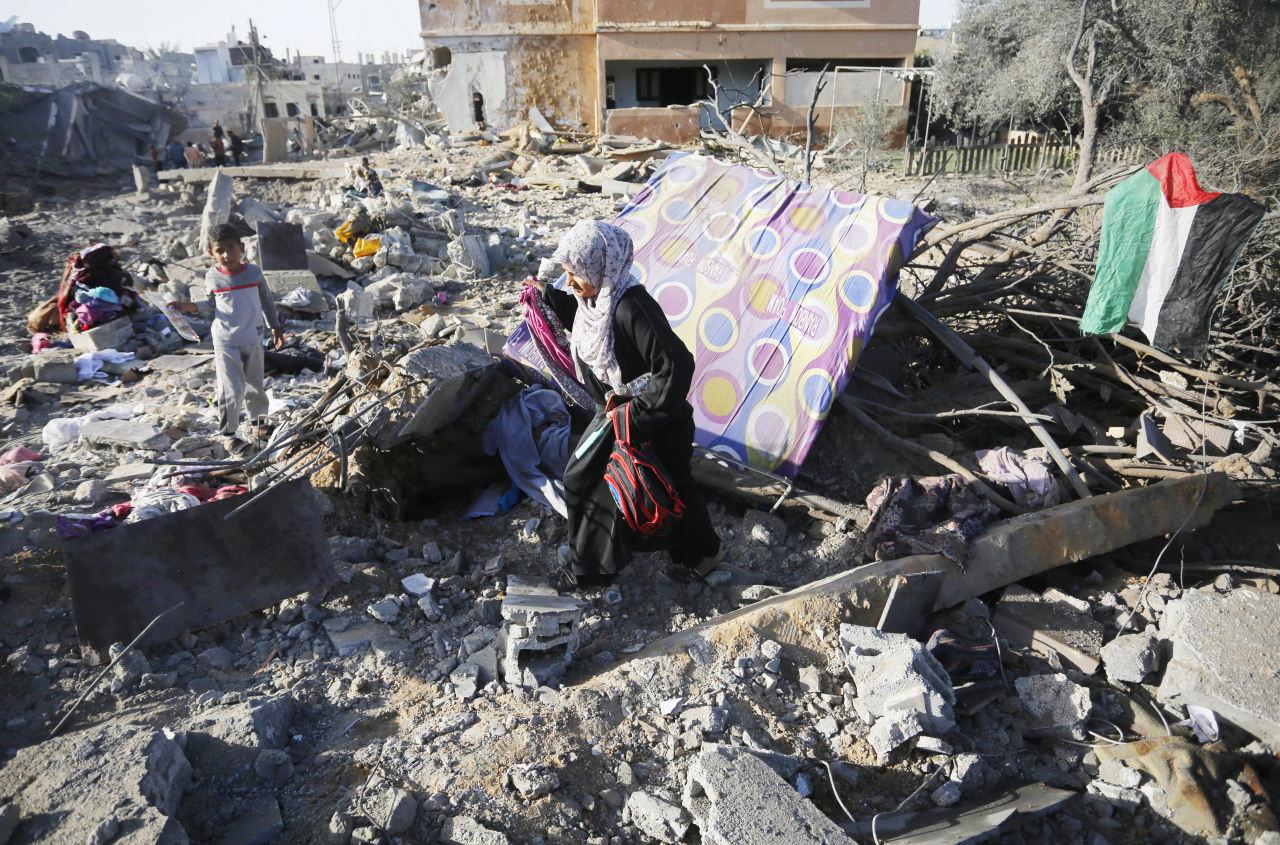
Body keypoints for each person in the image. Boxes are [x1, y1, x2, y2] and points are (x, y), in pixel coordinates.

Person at [534, 220, 721, 588]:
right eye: (567, 274)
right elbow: (594, 329)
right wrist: (548, 298)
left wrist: (640, 416)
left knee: (669, 486)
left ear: (602, 267)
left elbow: (676, 364)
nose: (570, 283)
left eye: (575, 273)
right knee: (586, 477)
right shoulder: (597, 302)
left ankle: (704, 554)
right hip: (616, 413)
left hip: (653, 421)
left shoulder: (633, 308)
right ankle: (593, 569)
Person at [170, 223, 285, 453]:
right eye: (219, 250)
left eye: (231, 248)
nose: (226, 255)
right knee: (231, 388)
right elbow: (210, 304)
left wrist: (275, 327)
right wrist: (189, 307)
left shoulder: (254, 273)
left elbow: (266, 300)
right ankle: (228, 434)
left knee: (255, 385)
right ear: (210, 253)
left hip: (253, 336)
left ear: (241, 248)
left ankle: (259, 424)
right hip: (226, 341)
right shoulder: (213, 277)